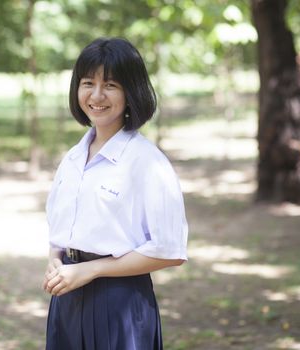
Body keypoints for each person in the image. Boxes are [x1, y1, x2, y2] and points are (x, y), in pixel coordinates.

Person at [42, 37, 188, 350]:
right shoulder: (72, 159)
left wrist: (91, 270)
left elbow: (170, 250)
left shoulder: (148, 162)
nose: (96, 95)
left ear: (130, 91)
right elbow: (60, 229)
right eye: (87, 83)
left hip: (119, 302)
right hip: (67, 299)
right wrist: (55, 258)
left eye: (110, 84)